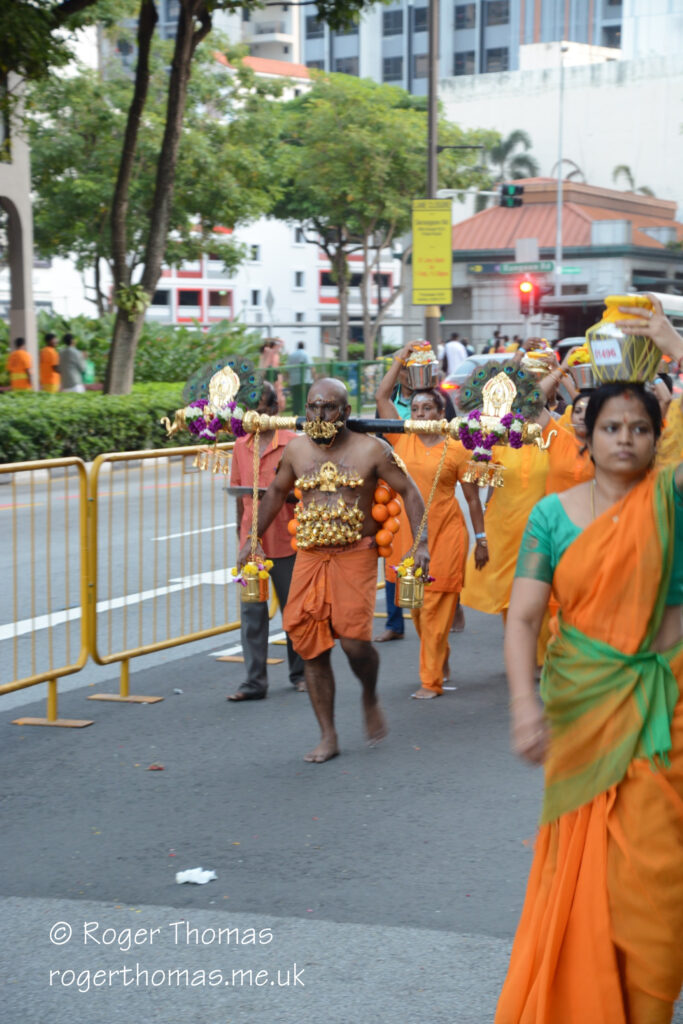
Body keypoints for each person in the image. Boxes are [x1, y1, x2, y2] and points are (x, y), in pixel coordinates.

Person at [496, 295, 683, 1023]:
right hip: (582, 711)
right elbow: (522, 619)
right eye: (612, 426)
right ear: (588, 434)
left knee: (657, 887)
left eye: (640, 427)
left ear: (658, 437)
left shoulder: (671, 500)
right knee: (585, 877)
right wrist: (524, 705)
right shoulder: (552, 516)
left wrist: (674, 344)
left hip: (666, 712)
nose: (625, 439)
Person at [238, 377, 429, 763]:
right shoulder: (296, 449)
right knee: (310, 647)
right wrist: (252, 539)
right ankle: (328, 735)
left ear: (345, 411)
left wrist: (421, 543)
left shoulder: (371, 449)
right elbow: (275, 492)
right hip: (310, 554)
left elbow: (410, 491)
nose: (319, 414)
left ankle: (369, 695)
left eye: (328, 407)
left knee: (354, 642)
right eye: (313, 406)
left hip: (356, 553)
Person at [376, 346, 489, 698]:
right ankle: (439, 658)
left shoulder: (457, 448)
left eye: (428, 408)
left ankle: (431, 681)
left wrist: (482, 540)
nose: (421, 414)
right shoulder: (401, 438)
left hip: (447, 534)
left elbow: (473, 499)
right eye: (416, 409)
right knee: (418, 610)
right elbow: (381, 397)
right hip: (409, 536)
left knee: (435, 607)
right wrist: (399, 360)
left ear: (442, 413)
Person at [228, 382, 305, 702]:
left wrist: (285, 496)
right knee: (252, 615)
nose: (255, 418)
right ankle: (254, 682)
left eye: (261, 411)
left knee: (295, 613)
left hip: (288, 540)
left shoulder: (293, 444)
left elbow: (306, 492)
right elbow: (238, 494)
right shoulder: (240, 445)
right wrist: (241, 535)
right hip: (252, 546)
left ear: (275, 409)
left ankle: (301, 674)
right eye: (250, 411)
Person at [286, 341, 313, 416]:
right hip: (306, 380)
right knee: (306, 398)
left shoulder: (291, 355)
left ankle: (296, 416)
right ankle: (306, 415)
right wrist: (314, 378)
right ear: (304, 346)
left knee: (296, 400)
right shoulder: (306, 354)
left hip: (294, 381)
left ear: (297, 346)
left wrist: (288, 380)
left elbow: (288, 369)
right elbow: (311, 367)